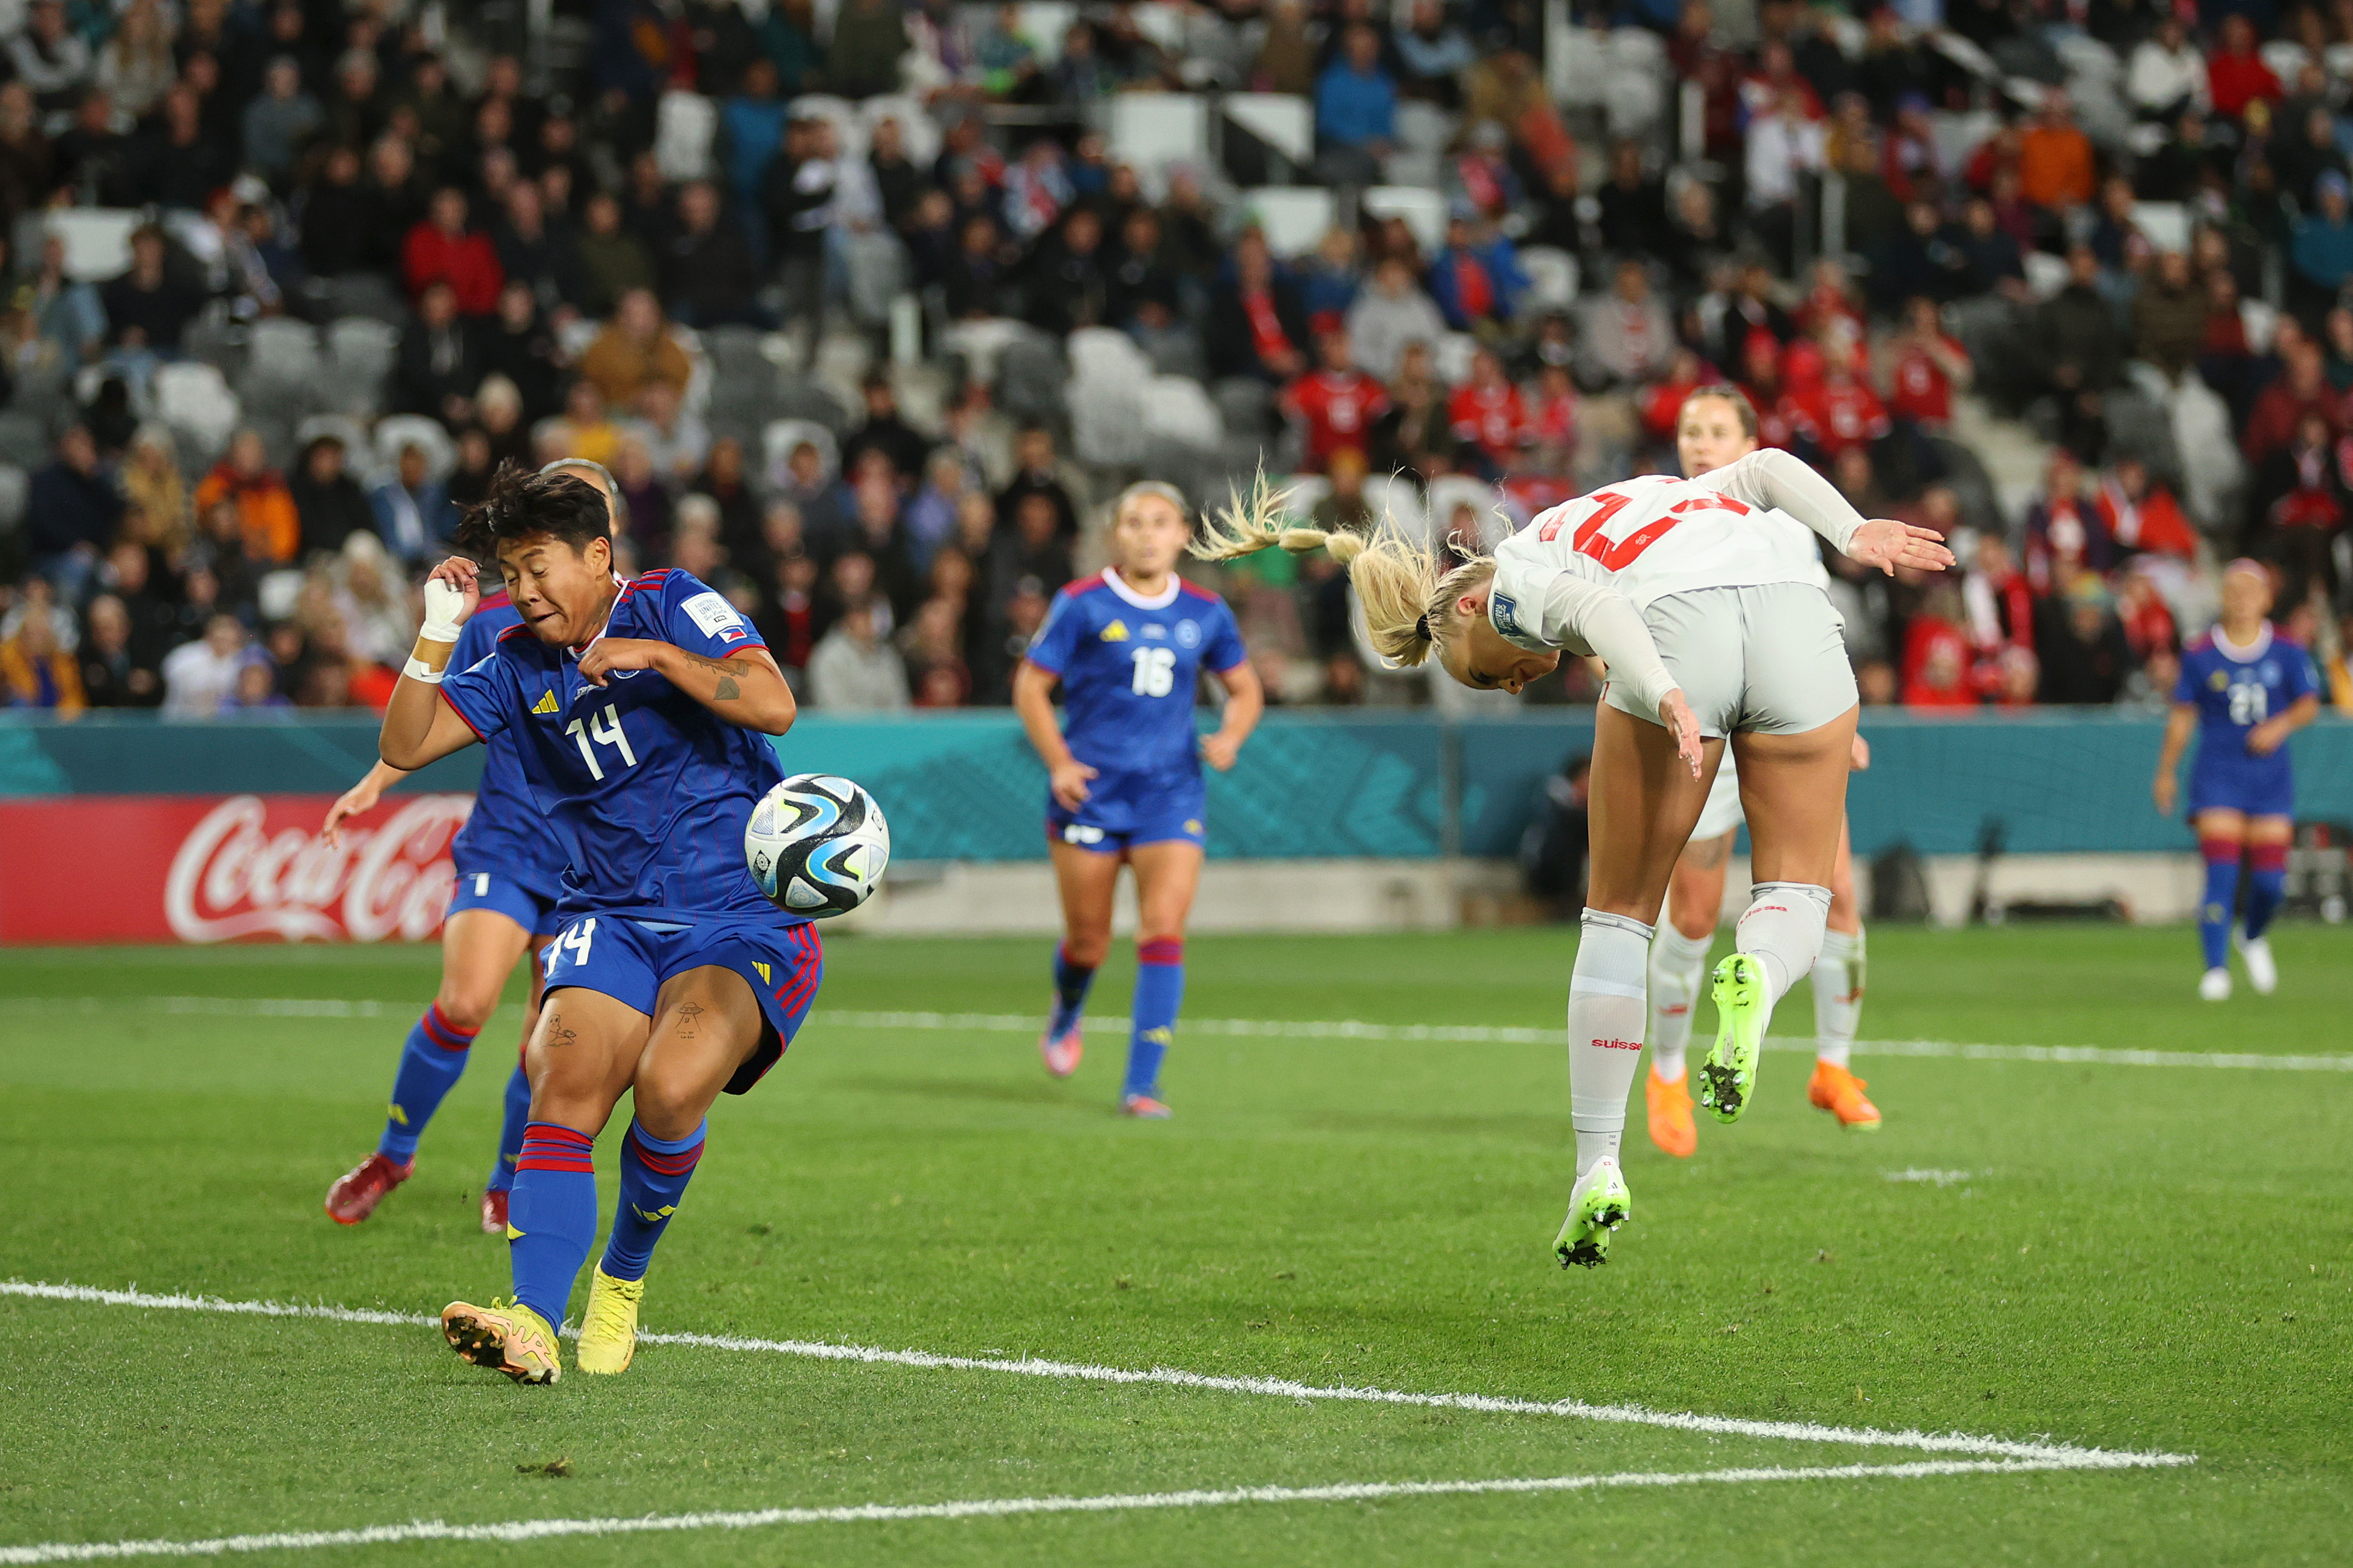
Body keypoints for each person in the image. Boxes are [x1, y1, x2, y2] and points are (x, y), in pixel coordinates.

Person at [1193, 448, 1949, 1266]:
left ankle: (1597, 1166)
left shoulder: (1514, 574)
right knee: (1800, 890)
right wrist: (1851, 528)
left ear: (1473, 603)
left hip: (1673, 632)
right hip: (1799, 617)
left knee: (1620, 915)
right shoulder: (1652, 494)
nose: (1511, 685)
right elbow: (1764, 467)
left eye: (1485, 675)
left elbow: (1596, 609)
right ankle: (1759, 978)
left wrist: (1660, 686)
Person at [379, 463, 814, 1385]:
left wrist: (655, 658)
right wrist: (436, 633)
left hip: (733, 916)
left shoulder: (670, 602)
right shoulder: (515, 667)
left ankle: (620, 1279)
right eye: (510, 576)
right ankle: (531, 1319)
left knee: (666, 1090)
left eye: (540, 568)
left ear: (598, 555)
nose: (524, 592)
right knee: (564, 1082)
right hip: (609, 913)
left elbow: (773, 701)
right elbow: (405, 745)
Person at [317, 460, 619, 1236]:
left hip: (593, 866)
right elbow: (437, 717)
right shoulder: (502, 621)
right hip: (509, 840)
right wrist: (378, 779)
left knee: (543, 1041)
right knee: (465, 1001)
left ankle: (507, 1179)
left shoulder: (647, 616)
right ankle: (393, 1153)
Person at [1642, 387, 1883, 1164]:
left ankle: (1834, 1068)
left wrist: (1842, 723)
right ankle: (1670, 1074)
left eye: (1717, 431)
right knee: (1694, 913)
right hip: (1706, 737)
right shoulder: (1664, 517)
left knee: (1839, 891)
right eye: (1689, 432)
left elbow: (1817, 623)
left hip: (1785, 732)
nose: (1701, 445)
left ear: (1752, 443)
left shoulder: (1784, 526)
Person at [1012, 483, 1264, 1116]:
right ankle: (1068, 1007)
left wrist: (1231, 736)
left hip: (1170, 792)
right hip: (1091, 795)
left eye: (1160, 522)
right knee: (1088, 943)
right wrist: (1060, 763)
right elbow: (1031, 687)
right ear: (1115, 535)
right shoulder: (1082, 604)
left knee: (1162, 931)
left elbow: (1245, 689)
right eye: (1134, 523)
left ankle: (1141, 1086)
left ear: (1183, 533)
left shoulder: (1206, 612)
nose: (1147, 534)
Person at [2153, 561, 2321, 1002]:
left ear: (2267, 598)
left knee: (2270, 883)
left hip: (2270, 781)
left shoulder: (2286, 649)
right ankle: (2215, 970)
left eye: (2251, 590)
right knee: (2221, 875)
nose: (2242, 598)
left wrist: (2279, 726)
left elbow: (2309, 704)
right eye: (2233, 590)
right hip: (2218, 778)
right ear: (2222, 598)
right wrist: (2167, 771)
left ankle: (2252, 935)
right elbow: (2183, 716)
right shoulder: (2201, 653)